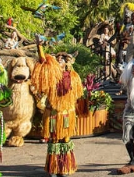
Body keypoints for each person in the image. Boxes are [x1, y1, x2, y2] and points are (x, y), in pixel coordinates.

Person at [31, 41, 83, 176]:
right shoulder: (51, 77)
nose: (59, 62)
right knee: (54, 139)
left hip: (66, 113)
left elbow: (77, 95)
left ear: (67, 62)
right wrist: (40, 47)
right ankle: (53, 168)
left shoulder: (73, 77)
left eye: (62, 60)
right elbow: (43, 61)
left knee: (65, 139)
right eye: (57, 60)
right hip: (53, 113)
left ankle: (65, 167)